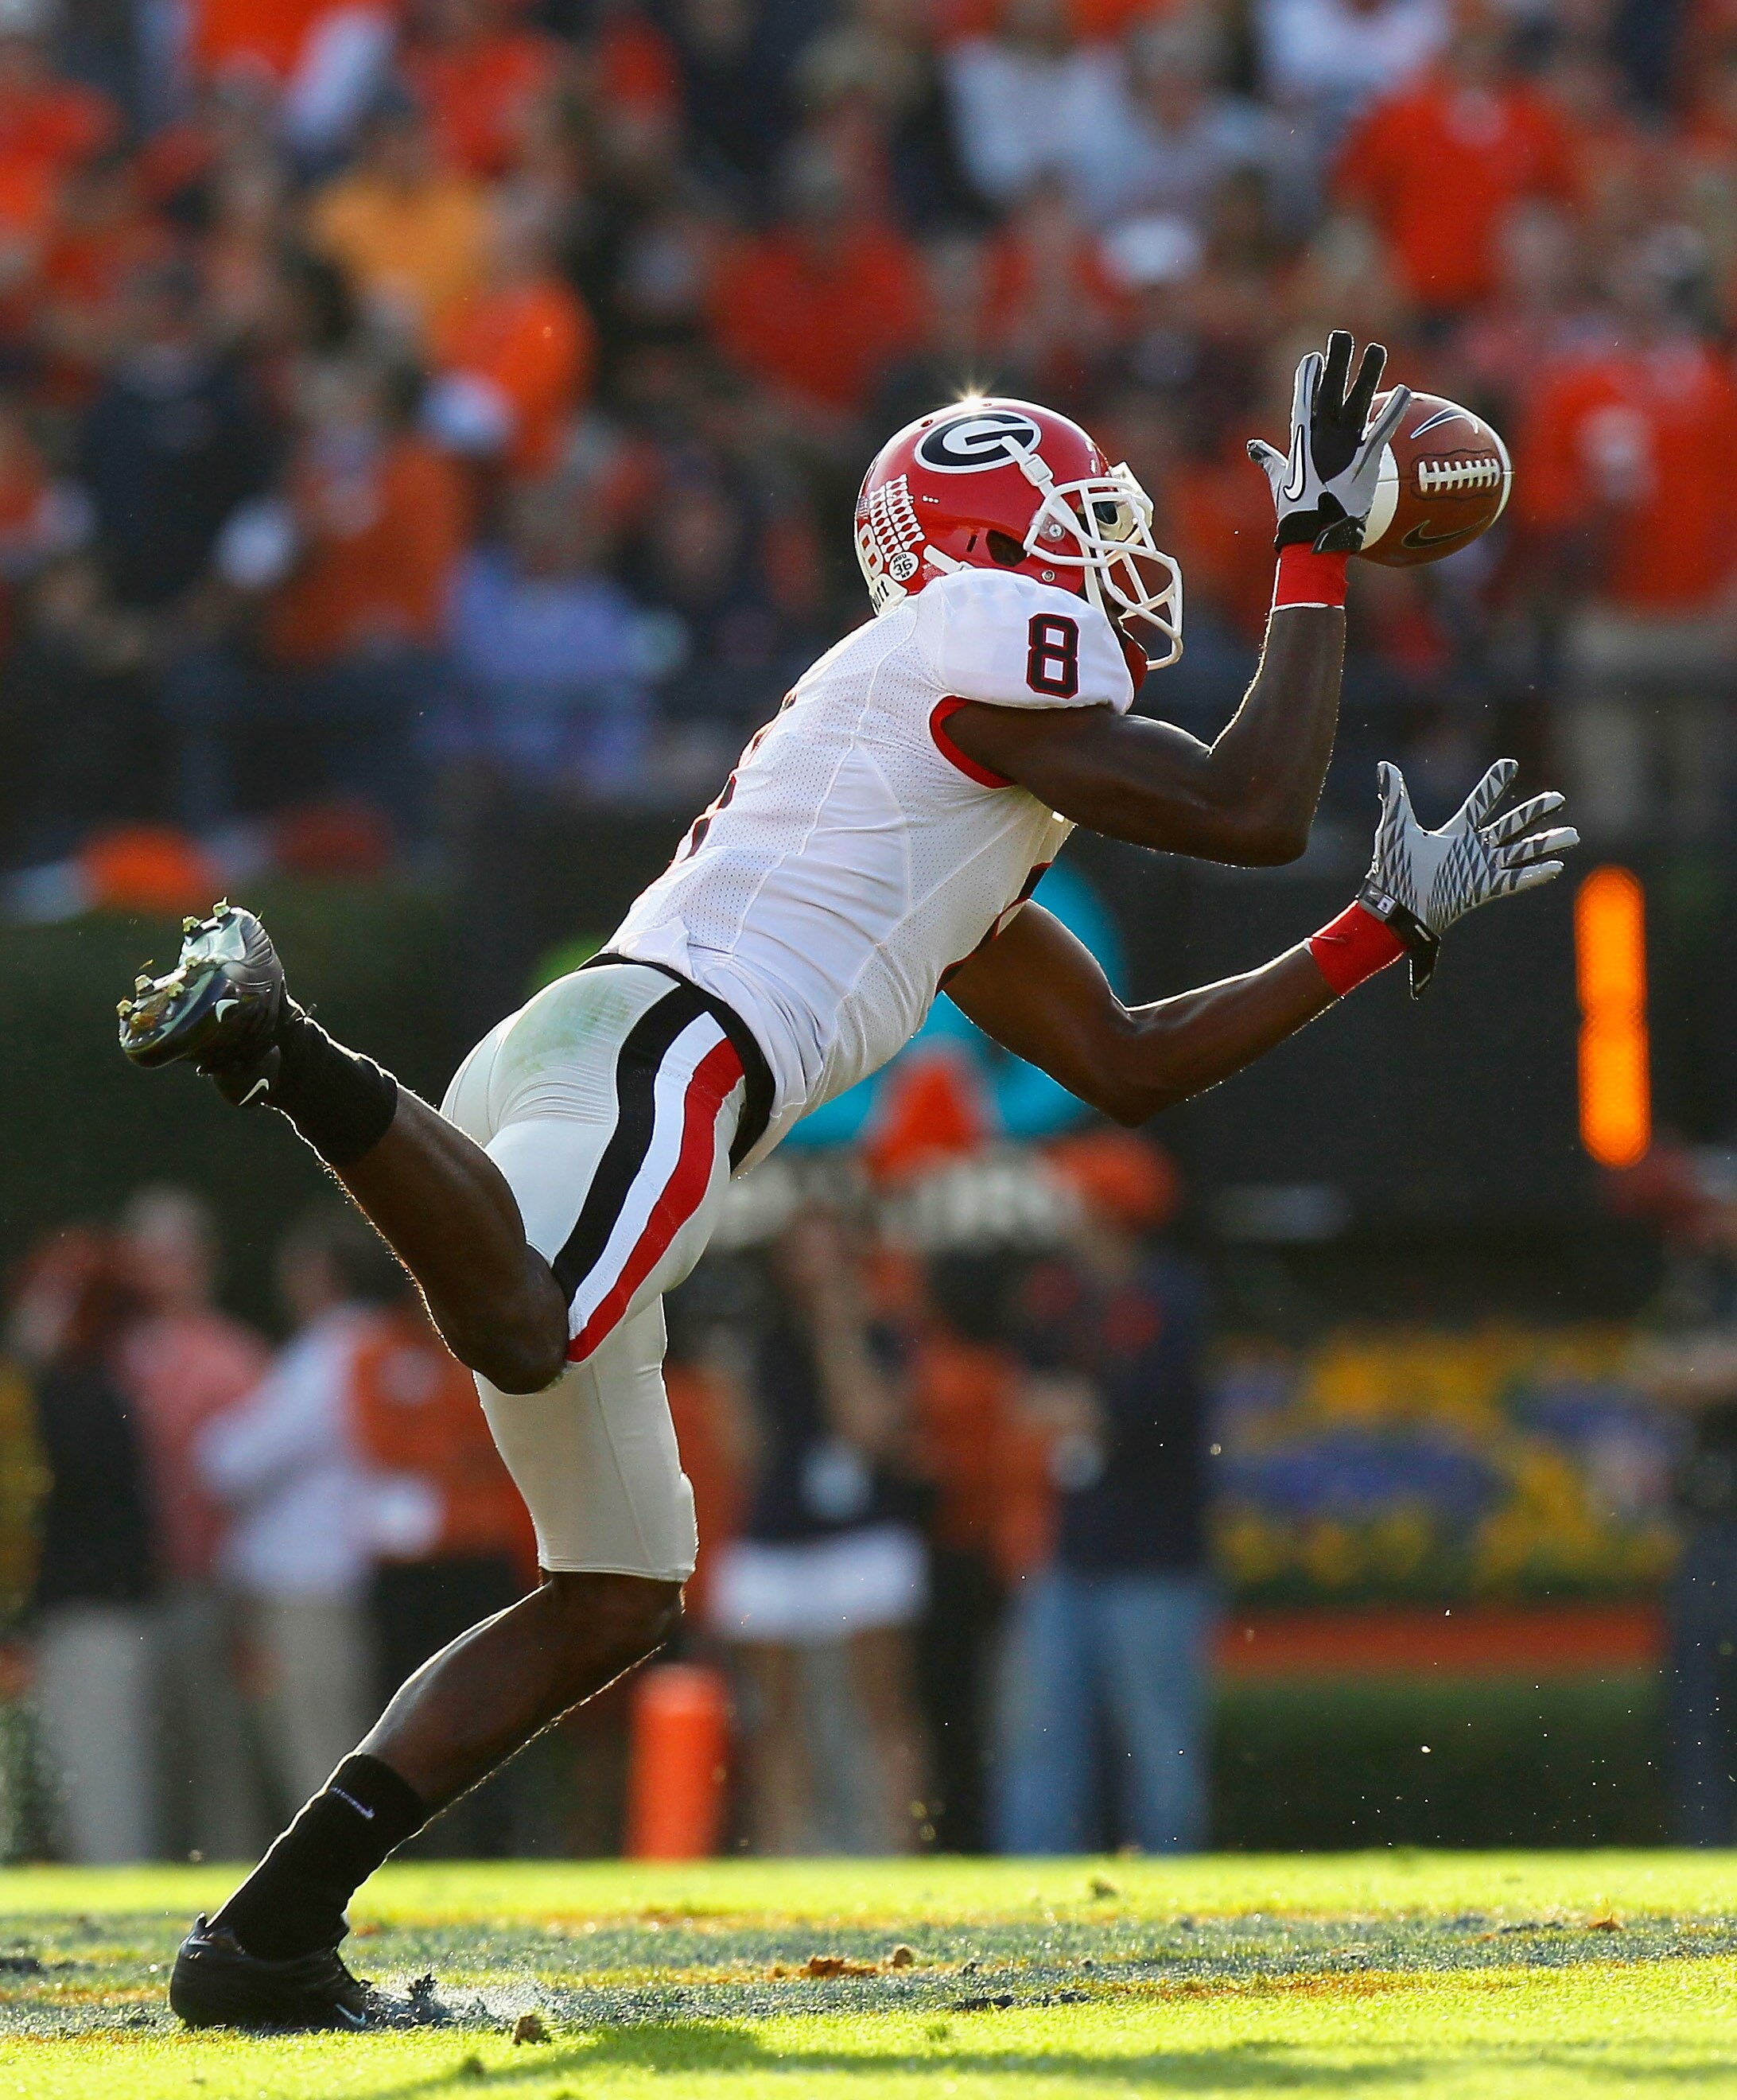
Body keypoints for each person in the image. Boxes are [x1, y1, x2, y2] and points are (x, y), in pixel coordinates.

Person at [117, 334, 1575, 2029]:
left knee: (611, 1592)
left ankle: (265, 1945)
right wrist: (1317, 540)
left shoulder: (957, 799)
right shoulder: (961, 642)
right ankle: (281, 1039)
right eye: (1073, 522)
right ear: (984, 557)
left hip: (602, 1059)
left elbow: (1124, 1063)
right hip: (670, 1056)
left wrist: (1371, 929)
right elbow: (1255, 802)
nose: (1114, 552)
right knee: (528, 1325)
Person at [996, 1133, 1214, 1854]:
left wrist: (1076, 1406)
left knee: (1160, 1747)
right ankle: (1032, 1897)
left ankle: (1174, 1893)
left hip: (1154, 1561)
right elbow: (1030, 1396)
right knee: (1043, 1739)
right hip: (1068, 1551)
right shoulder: (1057, 1297)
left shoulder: (1170, 1299)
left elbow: (1134, 1410)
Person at [708, 1209, 929, 1855]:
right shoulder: (757, 1340)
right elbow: (742, 1454)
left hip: (861, 1538)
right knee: (776, 1720)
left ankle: (902, 1848)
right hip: (777, 1542)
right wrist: (726, 1371)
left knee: (883, 1708)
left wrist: (839, 1330)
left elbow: (869, 1430)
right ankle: (786, 1853)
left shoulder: (881, 1335)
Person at [196, 1210, 395, 1819]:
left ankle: (330, 1867)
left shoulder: (337, 1348)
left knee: (319, 1736)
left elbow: (239, 1459)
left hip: (313, 1574)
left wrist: (210, 1440)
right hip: (341, 1568)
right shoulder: (374, 1342)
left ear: (322, 1274)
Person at [115, 1185, 270, 1865]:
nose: (156, 1271)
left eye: (170, 1255)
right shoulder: (109, 1356)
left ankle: (228, 1882)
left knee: (217, 1756)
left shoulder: (235, 1358)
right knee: (136, 1757)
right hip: (126, 1592)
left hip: (208, 1586)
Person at [9, 1231, 156, 1864]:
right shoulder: (87, 1389)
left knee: (102, 1782)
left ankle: (124, 1897)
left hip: (89, 1614)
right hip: (80, 1613)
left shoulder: (77, 1395)